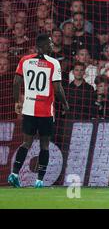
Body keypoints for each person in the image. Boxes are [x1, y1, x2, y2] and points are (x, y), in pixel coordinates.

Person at [9, 34, 69, 188]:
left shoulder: (25, 60)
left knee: (26, 143)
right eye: (49, 43)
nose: (52, 44)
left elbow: (16, 82)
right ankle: (39, 180)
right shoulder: (53, 63)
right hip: (45, 111)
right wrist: (65, 103)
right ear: (43, 46)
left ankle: (14, 174)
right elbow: (58, 88)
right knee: (44, 145)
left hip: (29, 109)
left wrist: (17, 101)